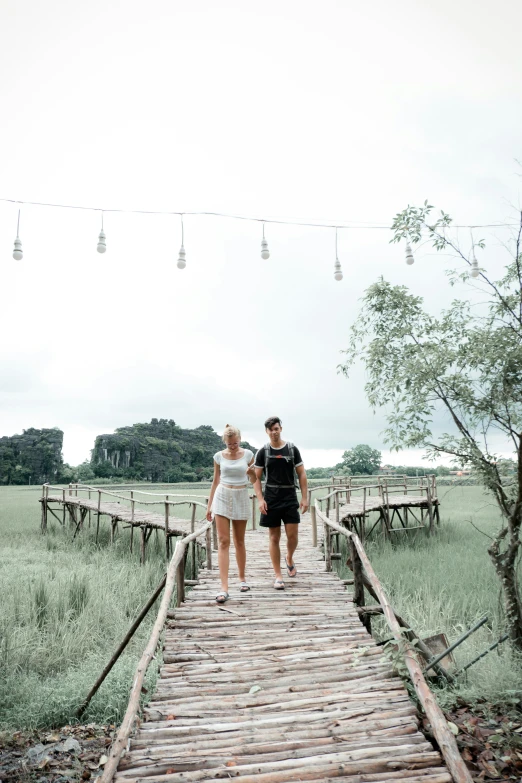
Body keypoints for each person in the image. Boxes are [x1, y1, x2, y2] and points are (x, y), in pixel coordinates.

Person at [250, 416, 309, 590]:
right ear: (266, 432)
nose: (274, 432)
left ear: (280, 429)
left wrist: (305, 498)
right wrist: (260, 500)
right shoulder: (263, 452)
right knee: (274, 537)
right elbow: (256, 478)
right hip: (271, 498)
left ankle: (289, 557)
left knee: (293, 536)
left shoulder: (291, 449)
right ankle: (278, 575)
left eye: (276, 429)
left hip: (290, 496)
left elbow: (302, 474)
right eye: (270, 429)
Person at [207, 424, 256, 604]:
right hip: (222, 495)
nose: (233, 446)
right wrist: (209, 505)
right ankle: (224, 588)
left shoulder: (249, 455)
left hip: (241, 495)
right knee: (223, 541)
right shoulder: (218, 456)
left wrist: (252, 473)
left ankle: (242, 579)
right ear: (225, 442)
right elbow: (215, 481)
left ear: (240, 440)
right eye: (229, 444)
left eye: (235, 443)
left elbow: (254, 480)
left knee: (239, 540)